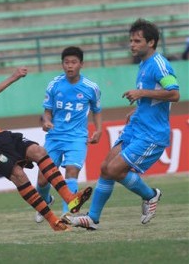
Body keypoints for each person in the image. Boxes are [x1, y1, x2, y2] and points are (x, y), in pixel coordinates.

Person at [0, 42, 93, 232]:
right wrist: (13, 77)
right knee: (18, 174)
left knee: (37, 151)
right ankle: (53, 221)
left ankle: (70, 198)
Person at [63, 18, 180, 230]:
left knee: (115, 169)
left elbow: (174, 93)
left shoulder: (160, 65)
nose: (132, 45)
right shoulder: (144, 64)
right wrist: (137, 109)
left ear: (151, 42)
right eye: (131, 40)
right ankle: (92, 218)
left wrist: (141, 93)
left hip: (151, 134)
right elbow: (155, 99)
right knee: (106, 167)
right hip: (136, 127)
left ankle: (150, 195)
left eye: (137, 41)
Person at [35, 46, 102, 224]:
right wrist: (47, 121)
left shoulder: (91, 87)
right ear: (62, 64)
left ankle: (68, 213)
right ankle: (45, 201)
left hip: (77, 138)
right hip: (55, 137)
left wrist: (99, 130)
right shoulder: (54, 84)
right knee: (42, 180)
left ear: (81, 64)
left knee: (71, 171)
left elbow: (97, 110)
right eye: (66, 62)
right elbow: (47, 111)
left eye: (73, 62)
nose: (69, 66)